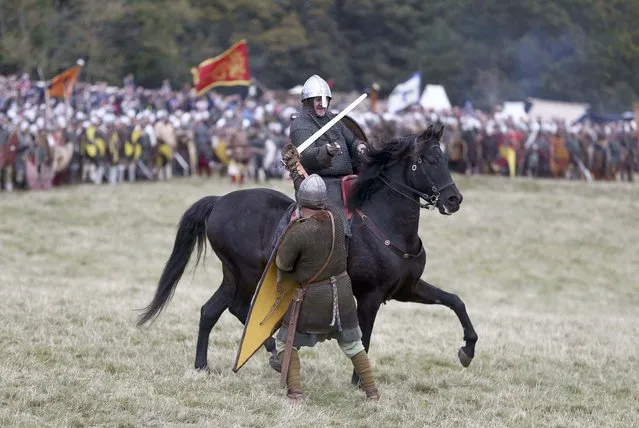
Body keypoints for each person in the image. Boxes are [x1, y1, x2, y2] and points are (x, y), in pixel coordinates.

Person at [274, 173, 379, 401]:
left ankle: (295, 392)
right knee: (353, 344)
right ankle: (372, 392)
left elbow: (282, 263)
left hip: (312, 299)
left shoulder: (300, 232)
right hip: (342, 294)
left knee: (284, 342)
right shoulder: (338, 219)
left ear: (300, 204)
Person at [283, 75, 368, 237]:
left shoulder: (333, 119)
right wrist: (326, 151)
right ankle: (341, 250)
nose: (322, 104)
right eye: (317, 100)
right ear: (308, 101)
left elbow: (352, 141)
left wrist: (360, 147)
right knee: (337, 223)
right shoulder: (300, 125)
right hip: (322, 183)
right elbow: (306, 157)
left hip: (348, 179)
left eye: (325, 100)